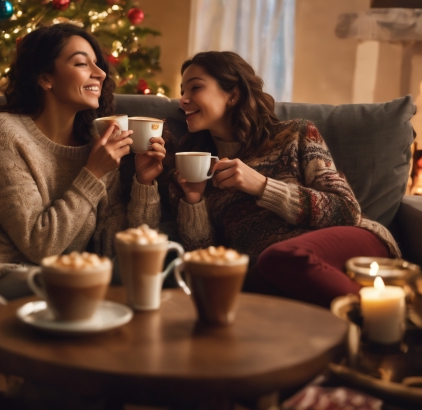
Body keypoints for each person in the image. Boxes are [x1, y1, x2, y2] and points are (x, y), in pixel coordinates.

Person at [0, 23, 165, 352]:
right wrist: (92, 175)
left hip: (24, 277)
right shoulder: (3, 131)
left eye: (98, 64)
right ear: (45, 78)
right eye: (81, 63)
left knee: (86, 307)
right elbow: (41, 244)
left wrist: (143, 184)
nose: (99, 73)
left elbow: (120, 254)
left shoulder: (99, 149)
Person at [170, 51, 400, 308]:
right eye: (182, 91)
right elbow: (205, 263)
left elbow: (346, 210)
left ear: (233, 94)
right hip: (273, 271)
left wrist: (261, 186)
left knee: (280, 258)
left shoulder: (295, 133)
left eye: (195, 88)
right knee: (251, 287)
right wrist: (194, 200)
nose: (183, 100)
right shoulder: (196, 167)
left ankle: (379, 318)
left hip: (350, 243)